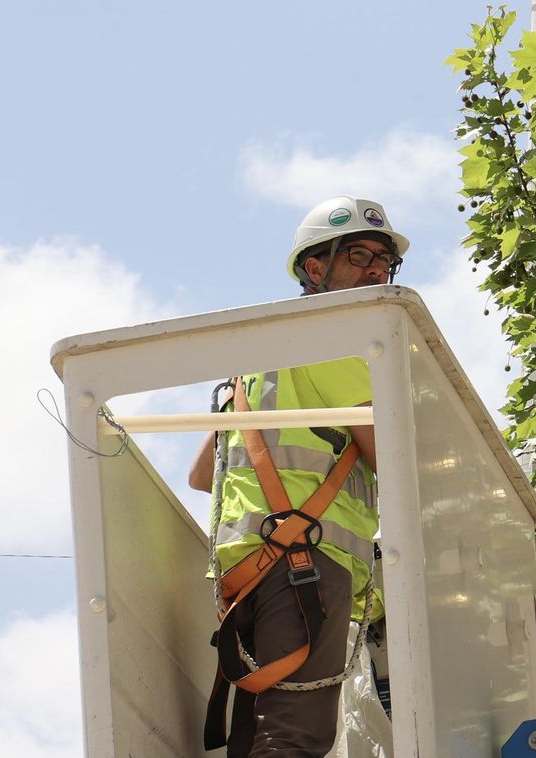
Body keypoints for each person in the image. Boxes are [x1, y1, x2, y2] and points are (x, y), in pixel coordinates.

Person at [189, 194, 409, 758]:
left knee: (259, 734)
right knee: (297, 737)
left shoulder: (258, 362)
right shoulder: (336, 344)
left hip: (245, 572)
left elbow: (200, 475)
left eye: (385, 261)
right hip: (306, 560)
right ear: (316, 268)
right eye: (359, 255)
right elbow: (395, 460)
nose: (377, 269)